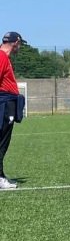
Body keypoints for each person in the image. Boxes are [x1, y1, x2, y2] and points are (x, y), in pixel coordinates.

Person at [0, 31, 27, 189]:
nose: (20, 47)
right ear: (16, 42)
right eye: (20, 44)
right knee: (2, 141)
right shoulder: (2, 57)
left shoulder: (4, 58)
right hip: (4, 103)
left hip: (7, 102)